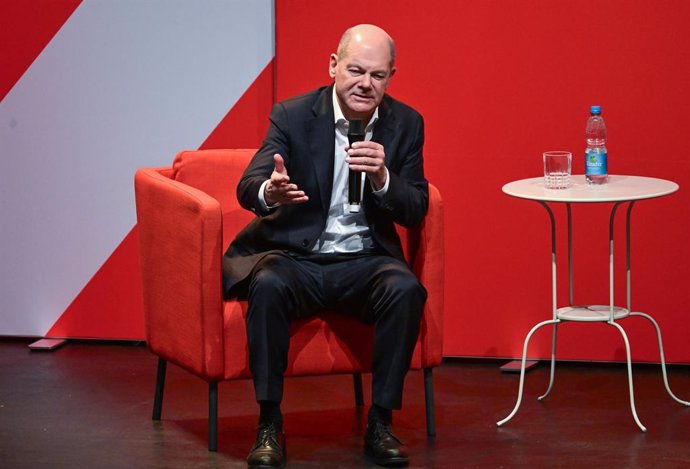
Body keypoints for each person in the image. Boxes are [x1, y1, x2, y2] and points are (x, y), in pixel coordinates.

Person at [222, 24, 428, 468]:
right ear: (334, 66)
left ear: (391, 76)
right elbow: (249, 185)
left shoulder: (405, 124)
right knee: (270, 283)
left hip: (364, 259)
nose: (364, 84)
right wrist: (269, 193)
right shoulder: (294, 115)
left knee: (405, 289)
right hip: (298, 256)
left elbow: (415, 207)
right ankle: (269, 422)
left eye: (377, 75)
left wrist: (383, 178)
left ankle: (381, 421)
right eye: (355, 70)